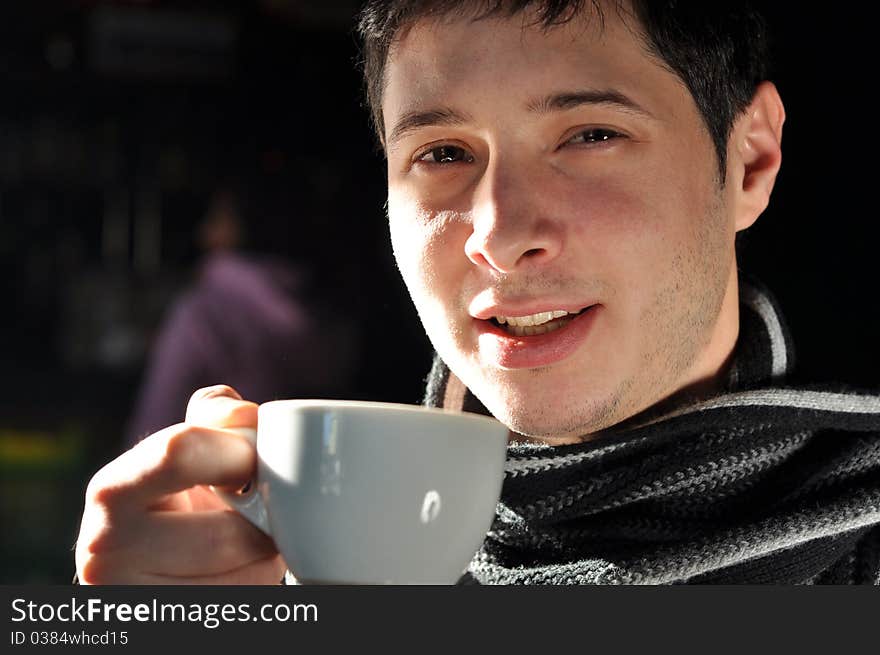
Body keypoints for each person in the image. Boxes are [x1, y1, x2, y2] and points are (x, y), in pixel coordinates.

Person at [74, 0, 880, 585]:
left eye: (591, 134)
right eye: (443, 152)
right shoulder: (317, 581)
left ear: (749, 162)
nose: (497, 234)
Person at [123, 188, 360, 448]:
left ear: (248, 226)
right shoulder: (335, 313)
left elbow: (154, 421)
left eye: (217, 219)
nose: (205, 234)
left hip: (219, 479)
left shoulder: (202, 313)